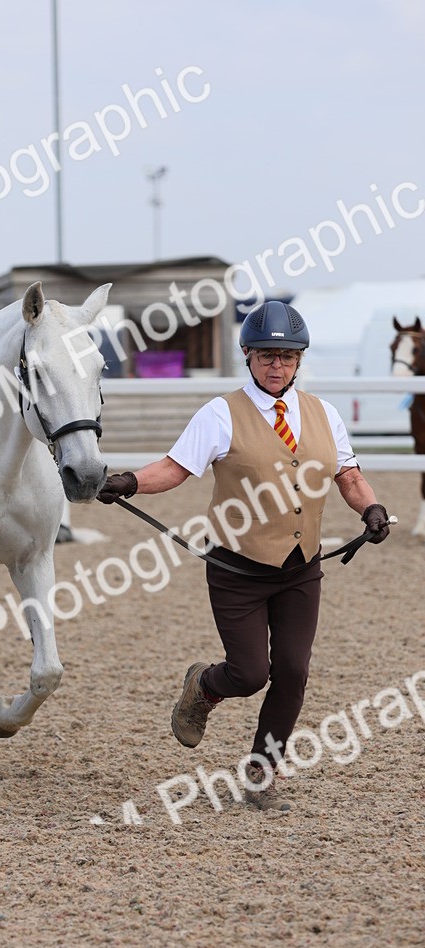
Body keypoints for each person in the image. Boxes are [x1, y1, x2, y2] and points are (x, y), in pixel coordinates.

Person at [97, 301, 391, 810]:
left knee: (293, 671)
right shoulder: (219, 413)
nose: (276, 366)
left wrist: (372, 507)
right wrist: (126, 481)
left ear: (299, 360)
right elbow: (174, 469)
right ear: (248, 357)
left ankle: (262, 768)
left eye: (285, 356)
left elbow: (348, 475)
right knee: (250, 673)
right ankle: (203, 686)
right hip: (238, 568)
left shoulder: (324, 414)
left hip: (302, 567)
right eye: (265, 356)